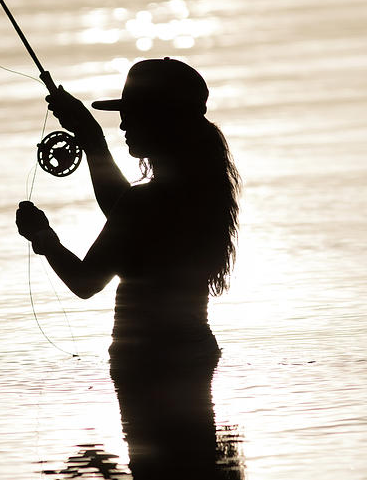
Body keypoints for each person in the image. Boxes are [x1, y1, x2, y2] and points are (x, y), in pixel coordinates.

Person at [15, 56, 240, 370]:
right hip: (196, 353)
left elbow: (86, 282)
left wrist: (43, 236)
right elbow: (124, 213)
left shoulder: (146, 203)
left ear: (160, 121)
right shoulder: (198, 191)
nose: (122, 123)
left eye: (131, 114)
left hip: (146, 363)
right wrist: (91, 140)